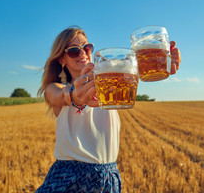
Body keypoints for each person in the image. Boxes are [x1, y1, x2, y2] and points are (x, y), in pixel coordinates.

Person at [35, 26, 181, 193]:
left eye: (86, 47)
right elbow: (60, 95)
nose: (83, 53)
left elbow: (128, 71)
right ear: (61, 59)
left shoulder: (109, 84)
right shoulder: (53, 88)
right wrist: (76, 96)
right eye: (74, 51)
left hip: (108, 178)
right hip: (69, 178)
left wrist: (159, 62)